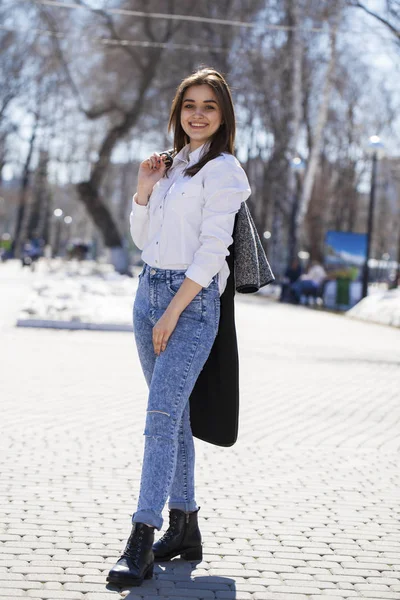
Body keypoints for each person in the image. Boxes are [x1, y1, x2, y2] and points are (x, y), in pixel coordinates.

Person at [107, 67, 251, 587]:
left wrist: (173, 312)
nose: (197, 114)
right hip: (148, 294)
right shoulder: (168, 167)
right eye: (190, 104)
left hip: (189, 306)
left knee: (160, 418)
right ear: (178, 111)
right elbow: (144, 239)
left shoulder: (225, 170)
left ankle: (141, 539)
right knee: (176, 418)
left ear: (223, 116)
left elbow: (214, 251)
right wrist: (144, 190)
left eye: (209, 106)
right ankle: (184, 525)